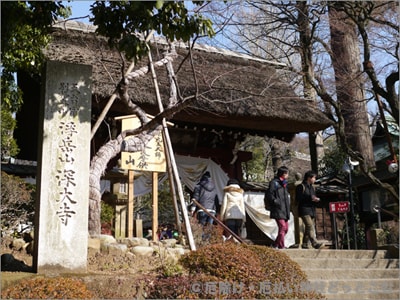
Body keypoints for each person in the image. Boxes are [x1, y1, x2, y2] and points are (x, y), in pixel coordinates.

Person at [296, 170, 324, 249]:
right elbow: (298, 198)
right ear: (309, 178)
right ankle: (314, 243)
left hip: (311, 209)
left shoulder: (312, 188)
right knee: (310, 226)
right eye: (314, 178)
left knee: (309, 227)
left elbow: (313, 198)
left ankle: (305, 244)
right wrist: (310, 198)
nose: (315, 179)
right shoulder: (301, 186)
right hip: (304, 209)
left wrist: (316, 200)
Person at [266, 166, 291, 249]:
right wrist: (275, 201)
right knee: (282, 227)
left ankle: (275, 244)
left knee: (286, 229)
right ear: (283, 174)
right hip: (277, 208)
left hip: (285, 209)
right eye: (287, 173)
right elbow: (270, 194)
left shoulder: (284, 183)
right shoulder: (274, 182)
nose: (288, 175)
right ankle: (281, 246)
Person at [190, 171, 219, 240]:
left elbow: (195, 198)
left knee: (201, 226)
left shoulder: (198, 187)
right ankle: (207, 242)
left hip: (202, 208)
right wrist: (217, 211)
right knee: (209, 227)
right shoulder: (214, 188)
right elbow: (216, 200)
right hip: (212, 210)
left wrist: (192, 209)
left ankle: (201, 242)